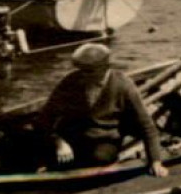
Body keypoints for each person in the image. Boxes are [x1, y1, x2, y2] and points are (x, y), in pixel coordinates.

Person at [35, 43, 169, 176]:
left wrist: (155, 161)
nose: (83, 75)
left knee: (99, 158)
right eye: (81, 69)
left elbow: (146, 125)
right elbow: (45, 118)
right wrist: (58, 142)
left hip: (104, 140)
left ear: (105, 67)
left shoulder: (123, 85)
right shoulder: (71, 81)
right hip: (71, 137)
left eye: (89, 71)